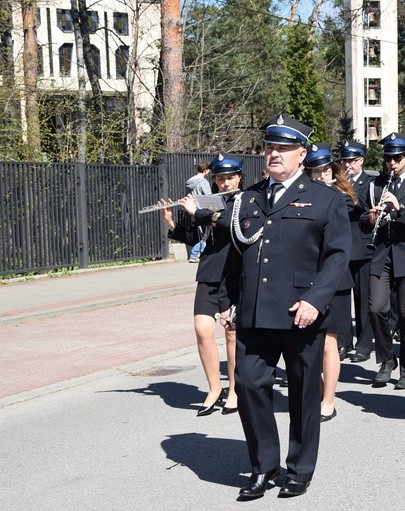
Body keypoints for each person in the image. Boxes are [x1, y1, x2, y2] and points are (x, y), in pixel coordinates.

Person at [218, 113, 351, 499]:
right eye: (269, 147)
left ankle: (299, 469)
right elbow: (236, 252)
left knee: (303, 393)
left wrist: (315, 300)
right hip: (256, 310)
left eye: (283, 148)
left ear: (301, 153)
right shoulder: (249, 196)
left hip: (300, 312)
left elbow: (337, 257)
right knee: (248, 383)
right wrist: (228, 300)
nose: (274, 154)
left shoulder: (326, 199)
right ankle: (263, 466)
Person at [162, 156, 242, 416]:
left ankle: (235, 390)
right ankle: (214, 387)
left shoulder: (247, 200)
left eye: (230, 178)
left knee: (232, 333)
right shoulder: (209, 201)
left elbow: (229, 222)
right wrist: (173, 223)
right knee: (202, 329)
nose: (225, 183)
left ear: (239, 177)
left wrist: (199, 212)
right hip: (209, 270)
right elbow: (196, 236)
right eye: (220, 179)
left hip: (236, 272)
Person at [361, 132, 405, 389]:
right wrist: (369, 219)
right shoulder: (374, 185)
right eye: (388, 158)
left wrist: (400, 209)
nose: (392, 163)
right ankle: (386, 360)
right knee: (376, 309)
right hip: (381, 255)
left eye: (397, 158)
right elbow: (361, 220)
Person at [304, 142, 356, 421]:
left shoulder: (341, 198)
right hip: (308, 277)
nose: (321, 175)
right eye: (315, 171)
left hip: (335, 279)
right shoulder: (303, 197)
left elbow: (348, 207)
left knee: (328, 344)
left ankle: (329, 400)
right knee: (308, 344)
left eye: (325, 170)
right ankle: (319, 390)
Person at [340, 140, 376, 363]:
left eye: (351, 161)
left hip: (362, 246)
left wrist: (350, 191)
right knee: (343, 299)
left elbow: (368, 207)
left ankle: (364, 344)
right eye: (344, 160)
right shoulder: (337, 182)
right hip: (343, 246)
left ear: (361, 160)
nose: (347, 165)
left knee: (364, 298)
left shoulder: (368, 183)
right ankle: (344, 341)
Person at [185, 161, 212, 263]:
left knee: (199, 232)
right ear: (205, 170)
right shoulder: (203, 182)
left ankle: (198, 253)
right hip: (202, 209)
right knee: (204, 233)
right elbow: (208, 197)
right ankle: (195, 254)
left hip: (192, 208)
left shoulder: (189, 182)